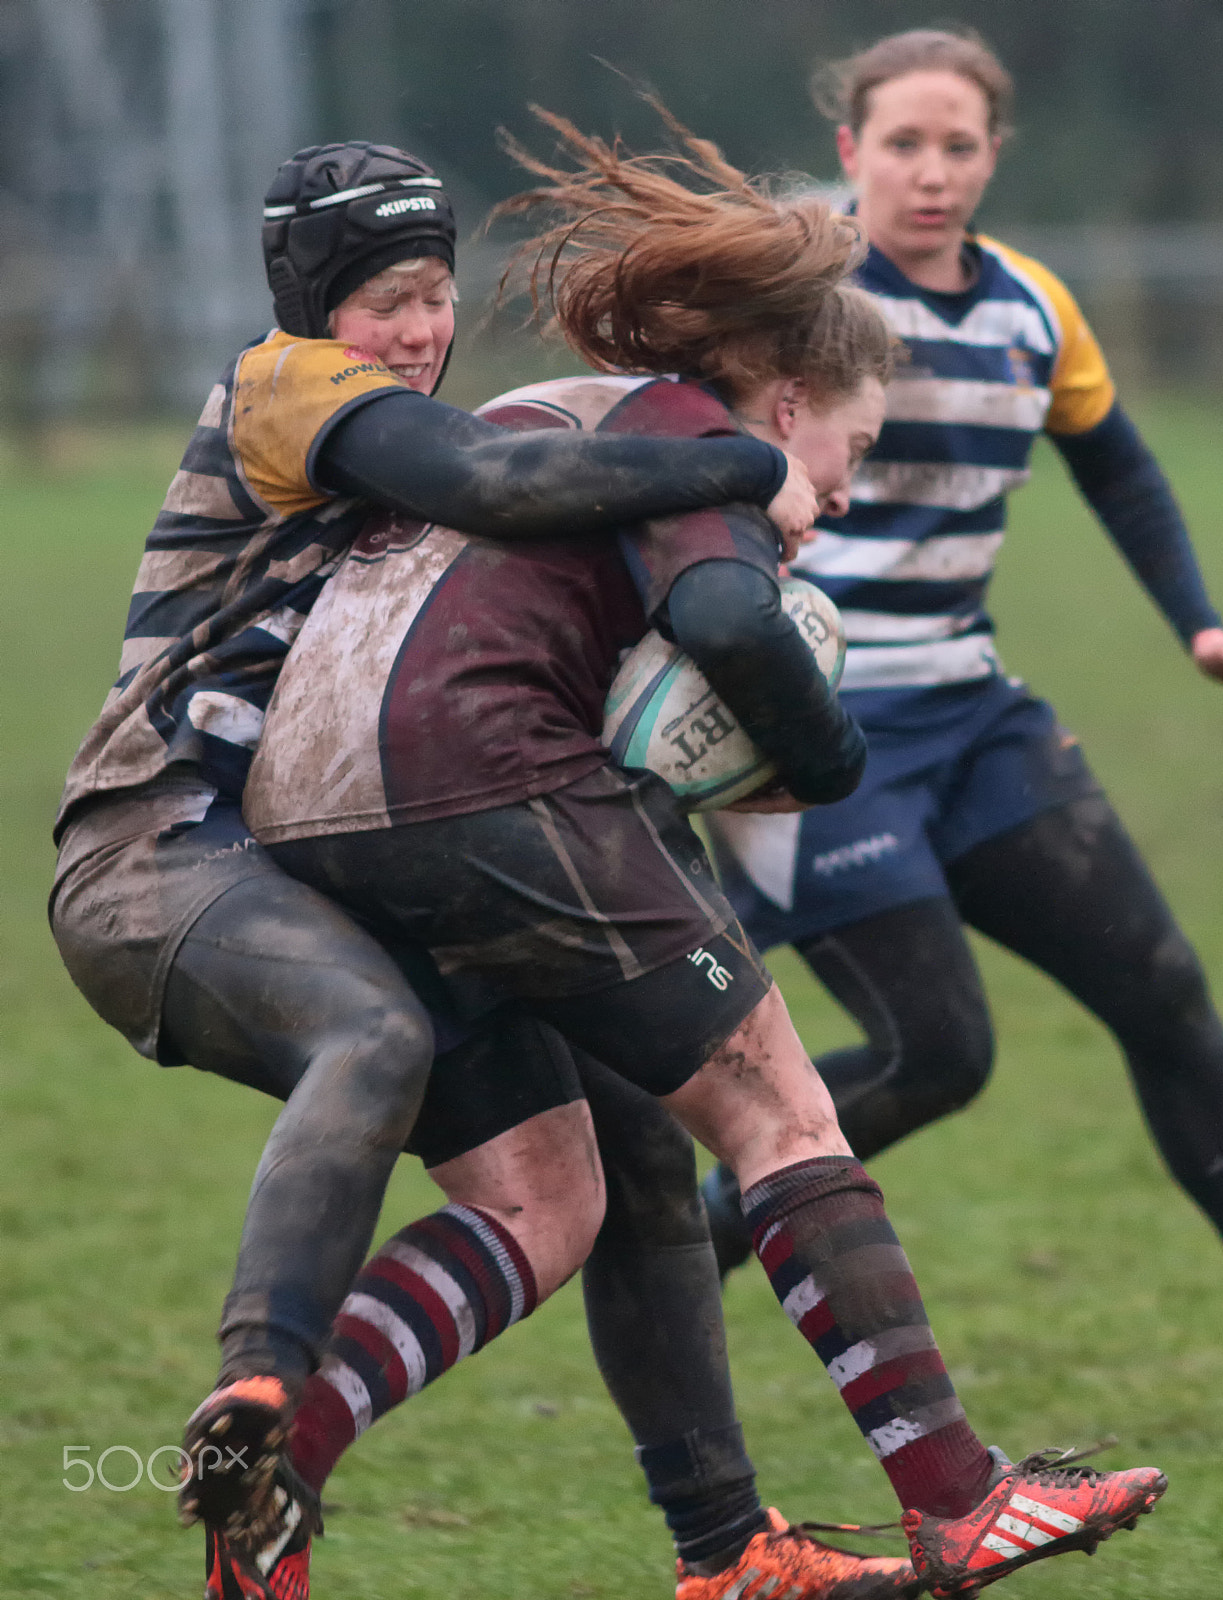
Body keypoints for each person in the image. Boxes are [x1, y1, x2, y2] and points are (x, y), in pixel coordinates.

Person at [241, 105, 1168, 1600]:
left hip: (324, 817)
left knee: (572, 1192)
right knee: (788, 1116)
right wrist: (825, 757)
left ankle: (278, 1472)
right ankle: (959, 1495)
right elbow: (730, 626)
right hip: (482, 786)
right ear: (790, 399)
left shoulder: (563, 411)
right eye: (852, 452)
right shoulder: (701, 442)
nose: (848, 494)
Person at [46, 138, 867, 1600]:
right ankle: (259, 1396)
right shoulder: (294, 385)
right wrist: (748, 462)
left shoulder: (391, 428)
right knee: (373, 1036)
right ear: (315, 304)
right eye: (387, 300)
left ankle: (729, 1550)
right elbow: (497, 476)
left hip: (342, 861)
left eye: (435, 294)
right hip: (159, 851)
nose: (421, 329)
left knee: (627, 1163)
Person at [699, 28, 1223, 1412]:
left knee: (1163, 990)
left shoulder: (1031, 311)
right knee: (935, 1053)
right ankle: (672, 1239)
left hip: (974, 716)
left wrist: (1202, 626)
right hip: (805, 742)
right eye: (902, 143)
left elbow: (1121, 470)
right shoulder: (786, 291)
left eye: (958, 146)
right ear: (849, 151)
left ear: (995, 156)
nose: (931, 172)